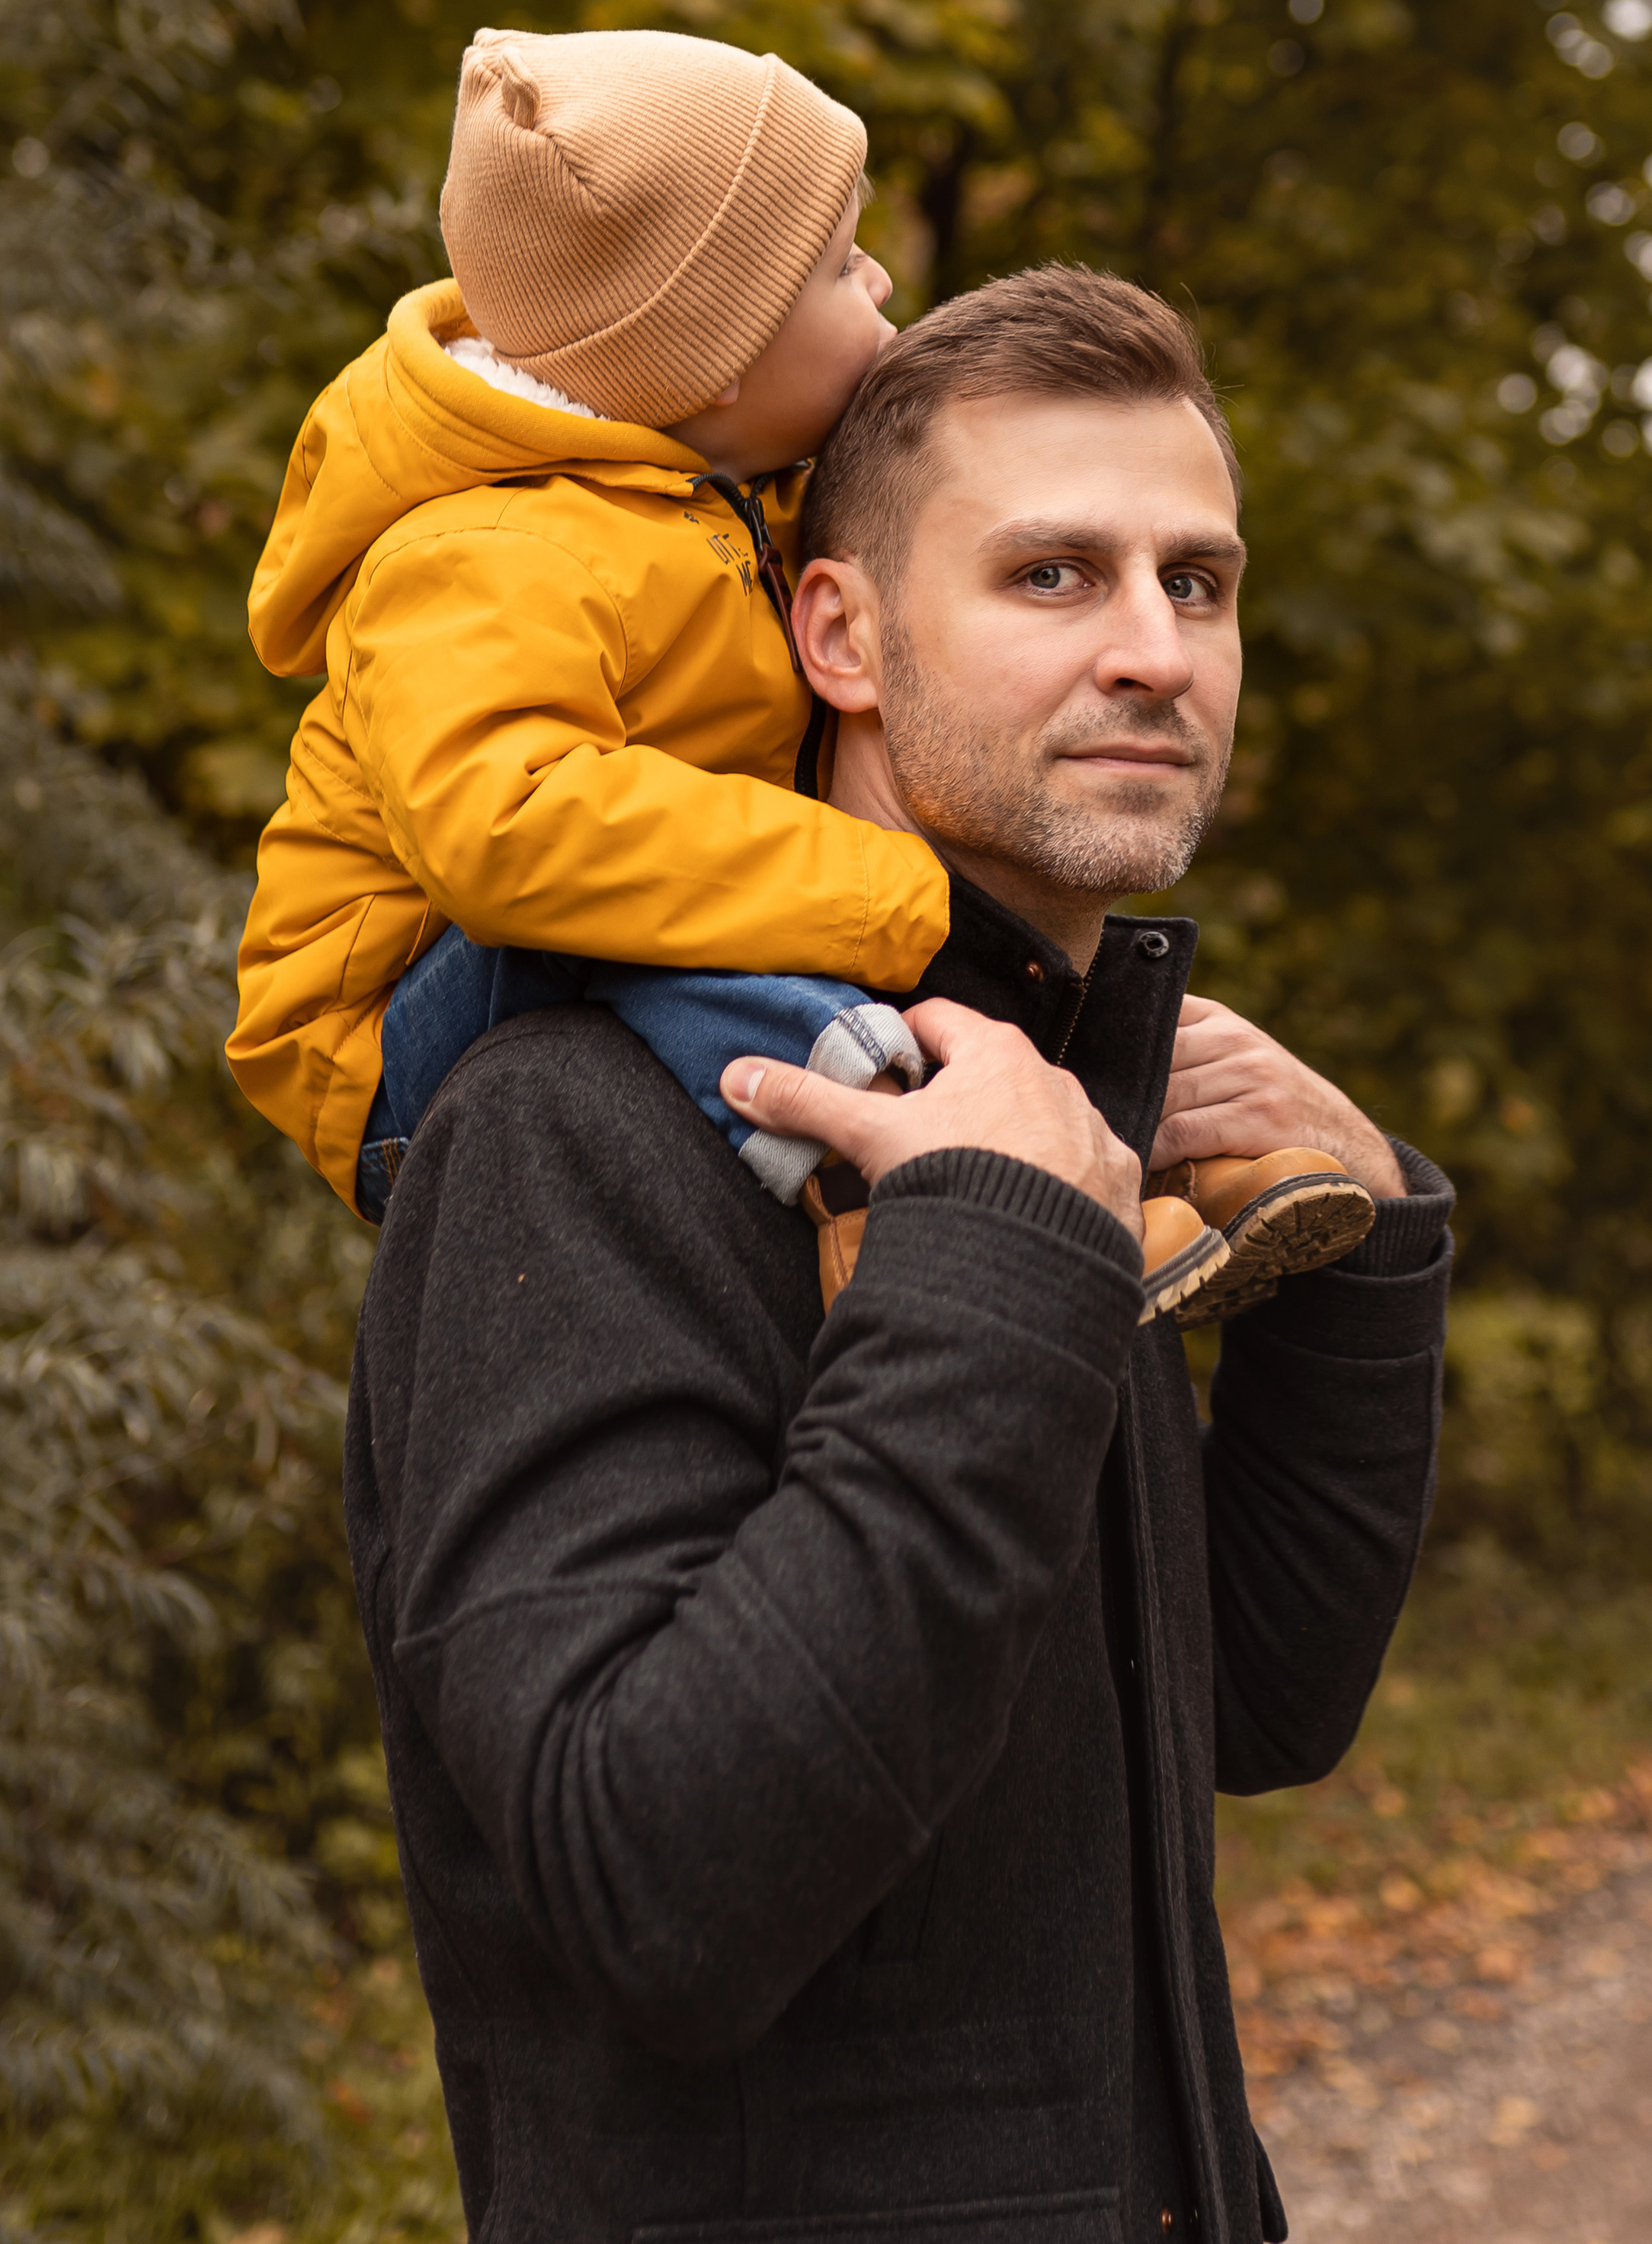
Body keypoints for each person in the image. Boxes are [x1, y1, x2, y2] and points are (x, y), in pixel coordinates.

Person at [344, 264, 1455, 2243]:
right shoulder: (578, 1126)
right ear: (835, 632)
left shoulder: (1017, 1110)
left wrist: (1365, 1252)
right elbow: (648, 1893)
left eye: (1197, 585)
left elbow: (1254, 1712)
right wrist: (994, 1273)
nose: (1153, 652)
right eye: (1054, 577)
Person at [229, 27, 1374, 1317]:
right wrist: (888, 888)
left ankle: (1138, 1138)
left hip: (588, 905)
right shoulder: (482, 550)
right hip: (402, 1022)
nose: (881, 276)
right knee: (699, 935)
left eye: (1194, 583)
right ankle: (908, 1192)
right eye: (840, 263)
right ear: (711, 355)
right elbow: (512, 834)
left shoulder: (706, 500)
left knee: (869, 930)